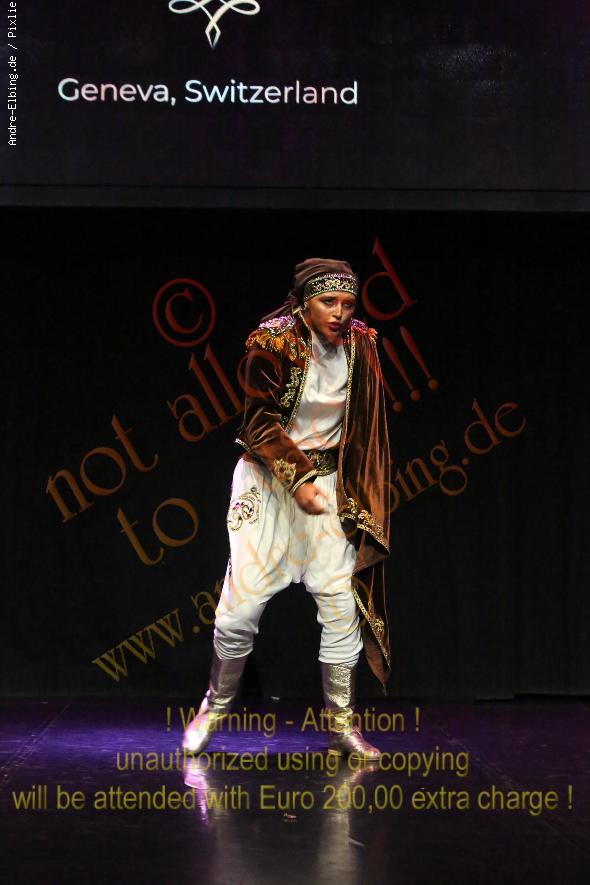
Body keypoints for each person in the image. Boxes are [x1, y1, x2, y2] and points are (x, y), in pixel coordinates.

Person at [183, 257, 392, 761]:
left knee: (341, 604)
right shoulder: (272, 343)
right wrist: (297, 479)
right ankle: (214, 708)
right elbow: (257, 423)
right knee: (242, 607)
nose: (340, 313)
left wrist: (357, 489)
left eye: (348, 303)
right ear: (304, 302)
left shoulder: (362, 344)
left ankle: (342, 726)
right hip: (269, 482)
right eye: (329, 302)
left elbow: (368, 422)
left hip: (328, 487)